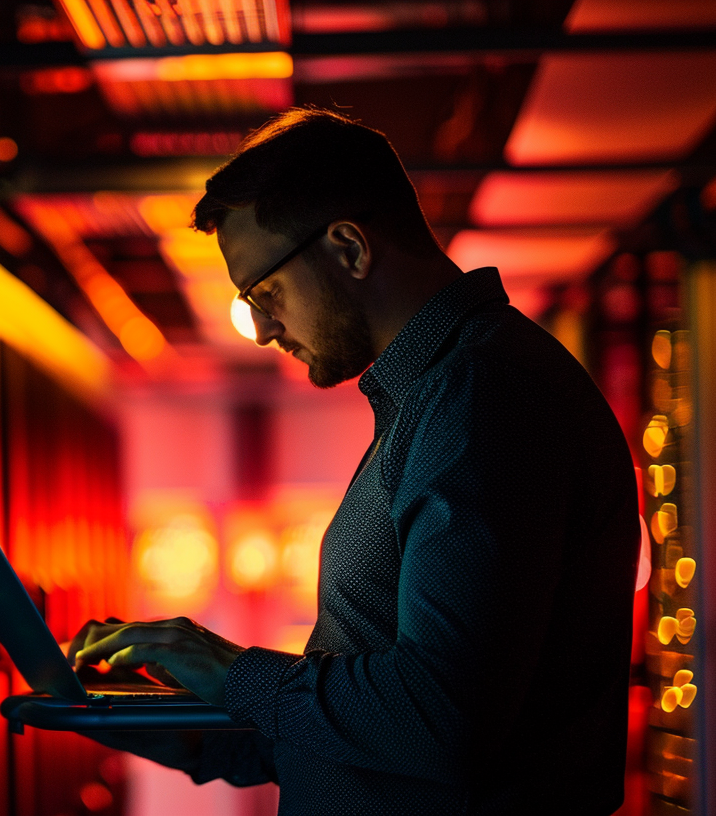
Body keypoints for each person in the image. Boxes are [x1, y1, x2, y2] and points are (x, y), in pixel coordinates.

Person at [69, 108, 640, 814]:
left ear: (348, 248)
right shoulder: (441, 394)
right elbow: (354, 737)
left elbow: (440, 722)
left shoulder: (482, 395)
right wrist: (140, 708)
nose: (266, 328)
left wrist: (232, 671)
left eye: (265, 294)